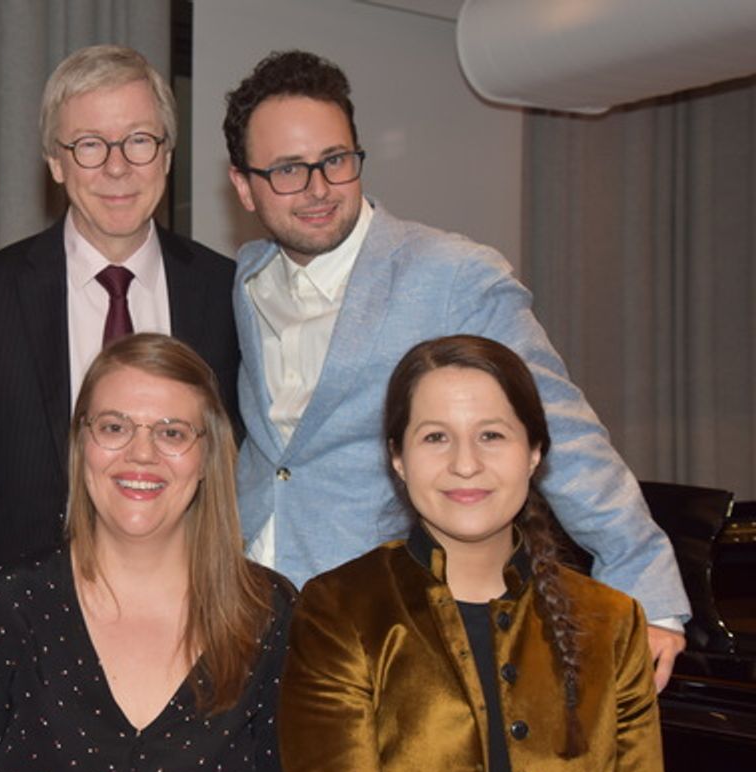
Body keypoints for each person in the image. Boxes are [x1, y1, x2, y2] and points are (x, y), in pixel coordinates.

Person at [223, 49, 689, 688]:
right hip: (247, 614)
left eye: (335, 160)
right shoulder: (248, 277)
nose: (317, 187)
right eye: (286, 170)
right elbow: (277, 454)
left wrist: (646, 582)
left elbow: (560, 425)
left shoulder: (451, 274)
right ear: (243, 186)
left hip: (385, 629)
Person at [279, 334, 664, 772]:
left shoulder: (614, 621)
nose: (466, 464)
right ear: (398, 457)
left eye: (492, 435)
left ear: (535, 451)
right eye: (436, 437)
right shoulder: (337, 612)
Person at [0, 333, 293, 772]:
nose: (141, 453)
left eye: (171, 432)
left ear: (207, 457)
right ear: (81, 443)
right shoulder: (5, 608)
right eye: (115, 427)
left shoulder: (267, 612)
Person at [0, 45, 240, 575]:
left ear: (168, 154)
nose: (117, 167)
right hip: (25, 623)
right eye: (89, 145)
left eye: (139, 141)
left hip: (190, 616)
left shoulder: (228, 293)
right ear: (56, 163)